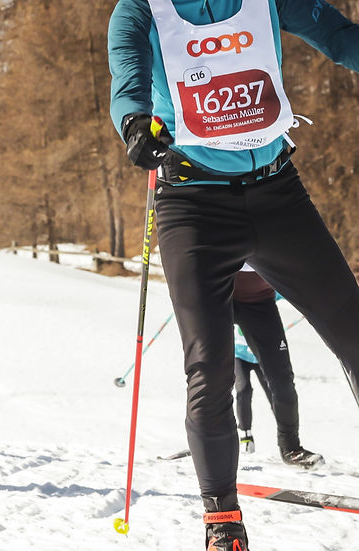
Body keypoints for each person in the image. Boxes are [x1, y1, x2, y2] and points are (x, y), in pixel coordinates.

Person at [108, 2, 359, 548]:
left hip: (278, 195)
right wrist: (132, 122)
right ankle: (223, 521)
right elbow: (127, 74)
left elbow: (340, 37)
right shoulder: (138, 11)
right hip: (192, 205)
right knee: (210, 366)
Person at [232, 266, 322, 467]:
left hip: (259, 302)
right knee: (231, 384)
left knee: (282, 382)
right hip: (218, 296)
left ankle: (291, 448)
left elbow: (291, 278)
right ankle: (210, 442)